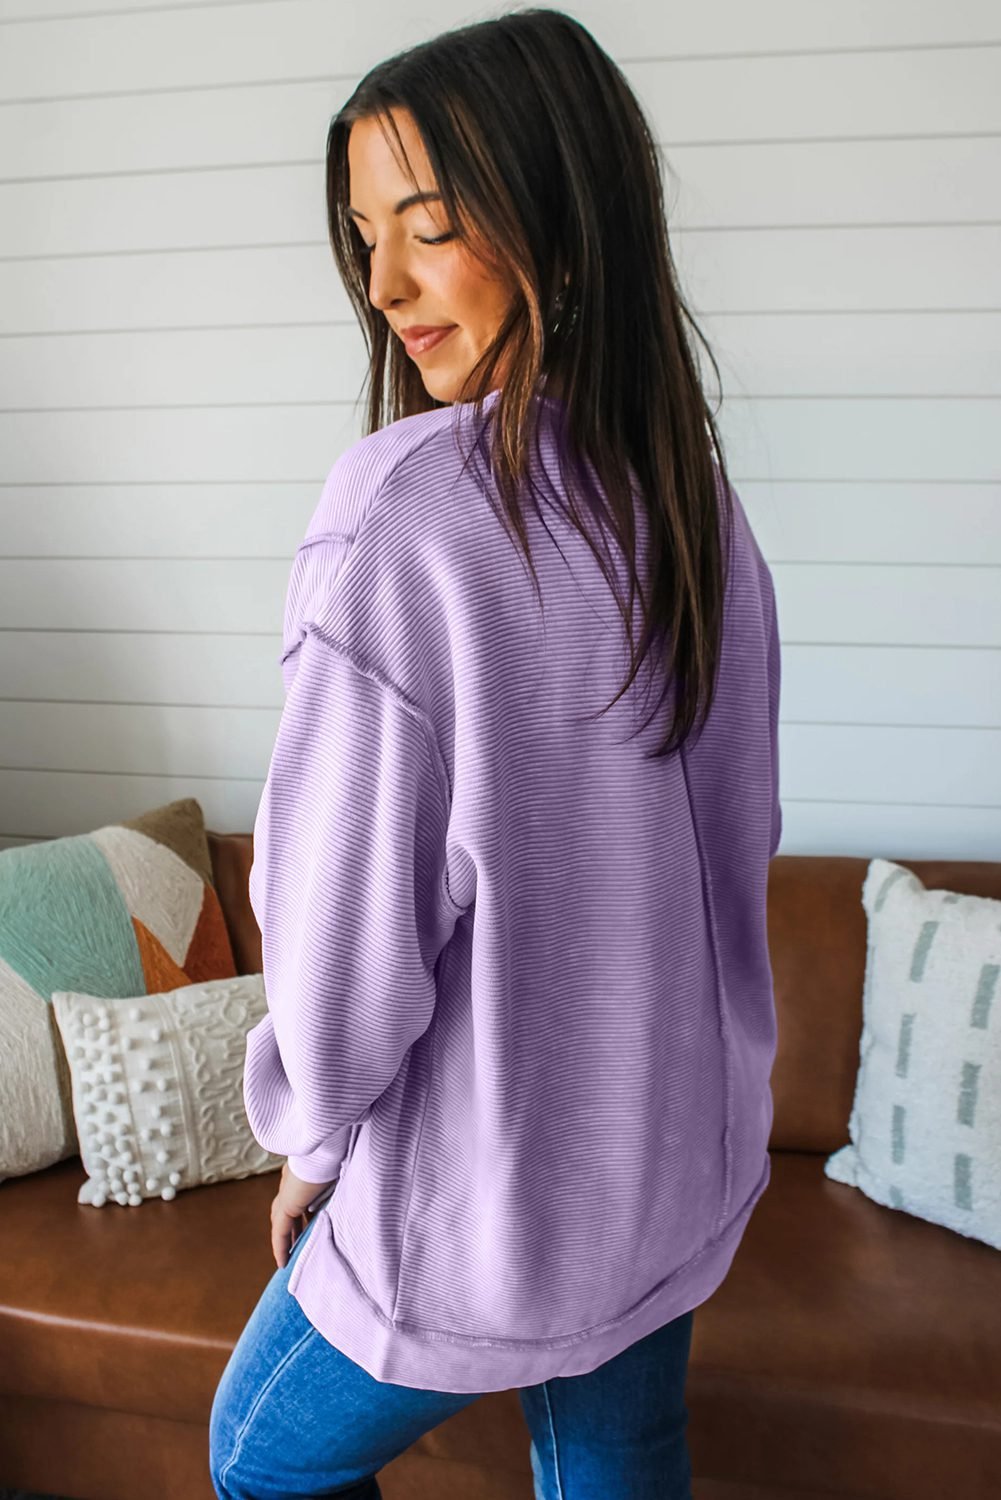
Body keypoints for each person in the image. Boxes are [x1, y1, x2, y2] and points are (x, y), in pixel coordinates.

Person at [209, 8, 782, 1498]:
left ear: (560, 223)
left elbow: (344, 930)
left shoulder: (404, 513)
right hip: (664, 1157)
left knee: (257, 1460)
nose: (384, 284)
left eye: (431, 225)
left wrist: (312, 1143)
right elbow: (735, 851)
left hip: (493, 1189)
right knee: (615, 1466)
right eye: (364, 237)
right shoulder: (690, 498)